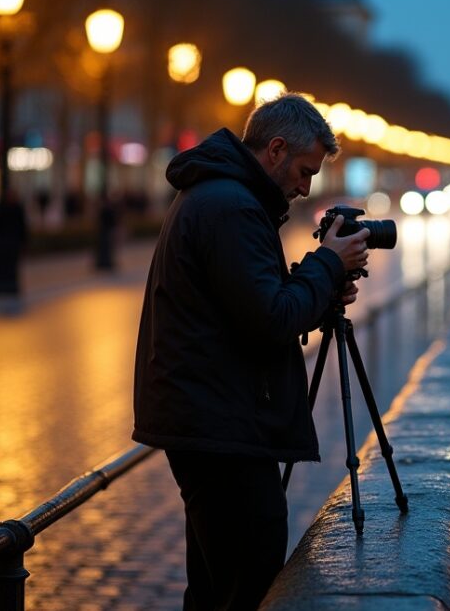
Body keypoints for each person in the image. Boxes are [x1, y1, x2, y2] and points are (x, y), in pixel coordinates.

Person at [132, 94, 370, 610]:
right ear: (276, 149)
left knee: (216, 587)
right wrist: (327, 265)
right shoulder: (233, 208)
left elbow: (253, 304)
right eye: (305, 171)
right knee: (250, 580)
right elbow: (271, 319)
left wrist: (320, 282)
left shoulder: (224, 198)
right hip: (219, 423)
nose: (306, 187)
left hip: (212, 415)